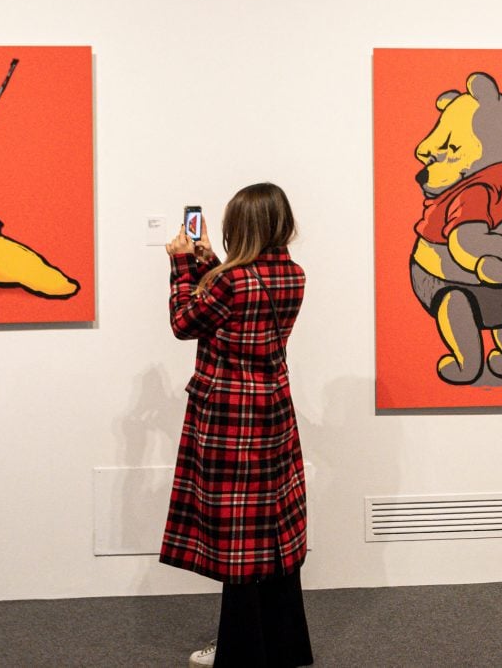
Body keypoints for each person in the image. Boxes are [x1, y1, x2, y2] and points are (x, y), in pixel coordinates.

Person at [160, 183, 313, 667]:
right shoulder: (293, 274)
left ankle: (240, 650)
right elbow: (230, 307)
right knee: (269, 529)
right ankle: (285, 646)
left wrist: (184, 265)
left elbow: (187, 322)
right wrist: (208, 265)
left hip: (229, 415)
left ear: (239, 227)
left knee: (238, 537)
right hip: (272, 409)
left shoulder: (233, 280)